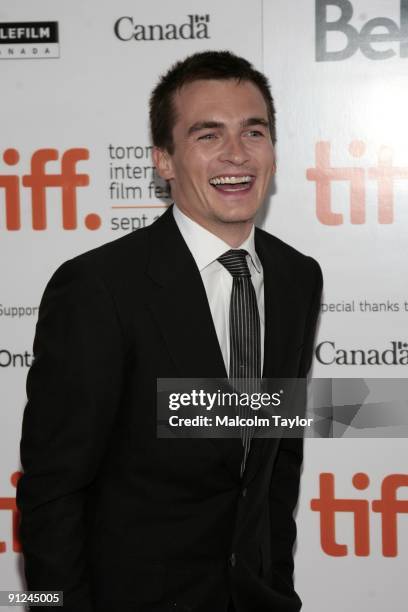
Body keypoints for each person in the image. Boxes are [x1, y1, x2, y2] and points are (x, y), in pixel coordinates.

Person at [17, 50, 323, 612]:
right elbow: (50, 493)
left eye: (253, 131)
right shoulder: (99, 288)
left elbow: (278, 461)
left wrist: (276, 584)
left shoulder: (297, 277)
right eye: (208, 135)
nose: (237, 153)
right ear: (164, 160)